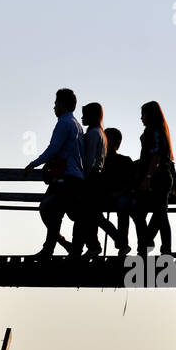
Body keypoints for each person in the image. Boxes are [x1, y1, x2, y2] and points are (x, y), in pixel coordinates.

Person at [24, 88, 85, 258]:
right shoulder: (77, 125)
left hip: (65, 177)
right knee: (56, 211)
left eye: (56, 103)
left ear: (62, 104)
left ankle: (54, 248)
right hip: (75, 176)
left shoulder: (64, 123)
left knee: (48, 208)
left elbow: (54, 148)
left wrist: (34, 164)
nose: (54, 107)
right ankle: (63, 246)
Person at [130, 101, 175, 256]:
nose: (141, 118)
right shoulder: (158, 131)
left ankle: (154, 246)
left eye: (143, 114)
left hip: (158, 178)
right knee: (152, 212)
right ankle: (149, 244)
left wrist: (148, 177)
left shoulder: (154, 131)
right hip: (158, 177)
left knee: (158, 213)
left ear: (150, 115)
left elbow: (156, 156)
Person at [73, 101, 107, 255]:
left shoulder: (93, 133)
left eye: (84, 114)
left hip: (91, 178)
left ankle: (85, 247)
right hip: (97, 178)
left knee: (84, 215)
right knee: (90, 216)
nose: (82, 117)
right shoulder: (101, 133)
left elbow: (89, 159)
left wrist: (83, 178)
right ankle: (91, 246)